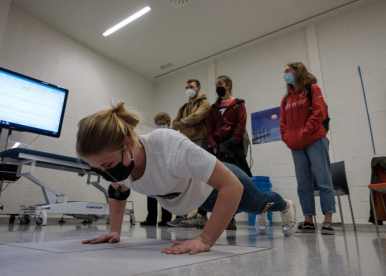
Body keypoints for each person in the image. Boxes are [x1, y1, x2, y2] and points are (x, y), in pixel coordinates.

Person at [78, 101, 298, 255]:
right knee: (253, 207)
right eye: (98, 169)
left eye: (107, 166)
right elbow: (118, 191)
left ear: (127, 143)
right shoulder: (119, 164)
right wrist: (114, 231)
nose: (106, 174)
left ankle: (285, 205)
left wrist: (205, 239)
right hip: (202, 199)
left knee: (259, 204)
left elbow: (231, 186)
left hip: (222, 185)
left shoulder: (167, 146)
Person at [280, 62, 336, 235]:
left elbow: (319, 113)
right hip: (296, 145)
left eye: (288, 70)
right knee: (303, 184)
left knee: (323, 180)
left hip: (315, 140)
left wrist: (306, 131)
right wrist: (287, 137)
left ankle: (327, 221)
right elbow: (282, 123)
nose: (285, 73)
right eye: (284, 71)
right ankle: (308, 221)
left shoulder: (313, 89)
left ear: (298, 71)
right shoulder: (286, 98)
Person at [206, 75, 253, 230]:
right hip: (217, 148)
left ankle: (232, 216)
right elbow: (209, 129)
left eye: (220, 84)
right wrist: (213, 145)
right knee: (218, 184)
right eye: (216, 85)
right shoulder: (214, 108)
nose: (217, 87)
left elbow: (241, 126)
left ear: (228, 85)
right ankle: (224, 218)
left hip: (234, 148)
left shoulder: (239, 104)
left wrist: (232, 142)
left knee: (235, 181)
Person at [172, 79, 210, 228]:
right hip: (184, 142)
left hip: (200, 142)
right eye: (187, 87)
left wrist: (183, 123)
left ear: (198, 88)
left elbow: (197, 117)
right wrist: (185, 122)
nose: (189, 89)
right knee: (184, 180)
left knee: (202, 180)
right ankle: (181, 215)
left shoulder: (204, 103)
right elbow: (174, 124)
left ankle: (201, 216)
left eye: (192, 87)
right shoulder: (184, 106)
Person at [140, 112, 174, 227]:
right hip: (153, 166)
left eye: (163, 124)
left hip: (166, 168)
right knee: (151, 194)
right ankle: (151, 219)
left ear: (168, 124)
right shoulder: (152, 135)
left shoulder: (172, 136)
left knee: (166, 195)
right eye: (159, 124)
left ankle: (166, 220)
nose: (161, 126)